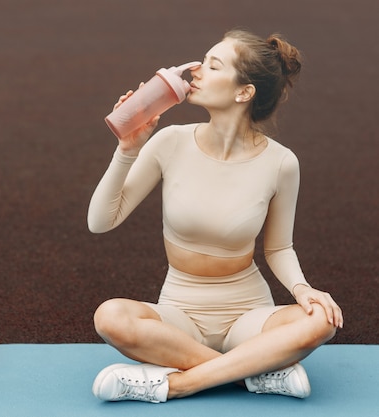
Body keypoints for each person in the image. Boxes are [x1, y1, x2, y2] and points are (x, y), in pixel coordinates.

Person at [87, 29, 343, 403]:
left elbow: (279, 248)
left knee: (322, 319)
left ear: (244, 92)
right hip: (179, 315)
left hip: (248, 317)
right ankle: (252, 374)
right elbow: (100, 221)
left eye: (213, 65)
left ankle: (176, 384)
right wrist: (127, 150)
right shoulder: (169, 142)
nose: (197, 72)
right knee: (110, 317)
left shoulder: (281, 163)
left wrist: (303, 290)